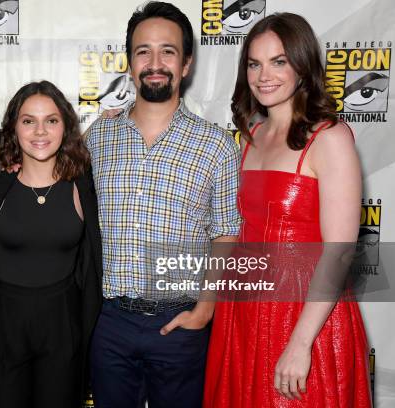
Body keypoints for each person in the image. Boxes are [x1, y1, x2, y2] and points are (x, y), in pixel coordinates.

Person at [203, 13, 372, 407]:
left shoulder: (329, 137)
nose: (265, 75)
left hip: (304, 314)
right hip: (243, 312)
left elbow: (340, 250)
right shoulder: (252, 136)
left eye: (279, 61)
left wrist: (300, 342)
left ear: (302, 65)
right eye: (254, 63)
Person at [85, 2, 241, 407]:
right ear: (130, 63)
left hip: (181, 323)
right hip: (108, 323)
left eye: (168, 51)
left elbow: (226, 233)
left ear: (186, 64)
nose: (155, 63)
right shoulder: (98, 137)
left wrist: (204, 311)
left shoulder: (216, 145)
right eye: (143, 51)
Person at [0, 80, 102, 408]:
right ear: (14, 128)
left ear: (65, 127)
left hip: (63, 329)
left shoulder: (82, 186)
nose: (40, 131)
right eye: (29, 121)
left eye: (51, 120)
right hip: (4, 330)